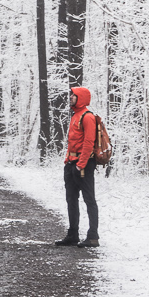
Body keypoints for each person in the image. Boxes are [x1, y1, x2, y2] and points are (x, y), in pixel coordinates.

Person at [57, 84, 100, 248]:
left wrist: (80, 165)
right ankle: (73, 234)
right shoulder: (75, 116)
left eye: (73, 96)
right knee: (71, 199)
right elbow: (73, 141)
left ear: (80, 98)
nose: (70, 98)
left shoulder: (87, 117)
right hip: (71, 164)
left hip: (84, 165)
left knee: (89, 199)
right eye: (70, 96)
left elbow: (89, 142)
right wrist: (68, 161)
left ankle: (93, 236)